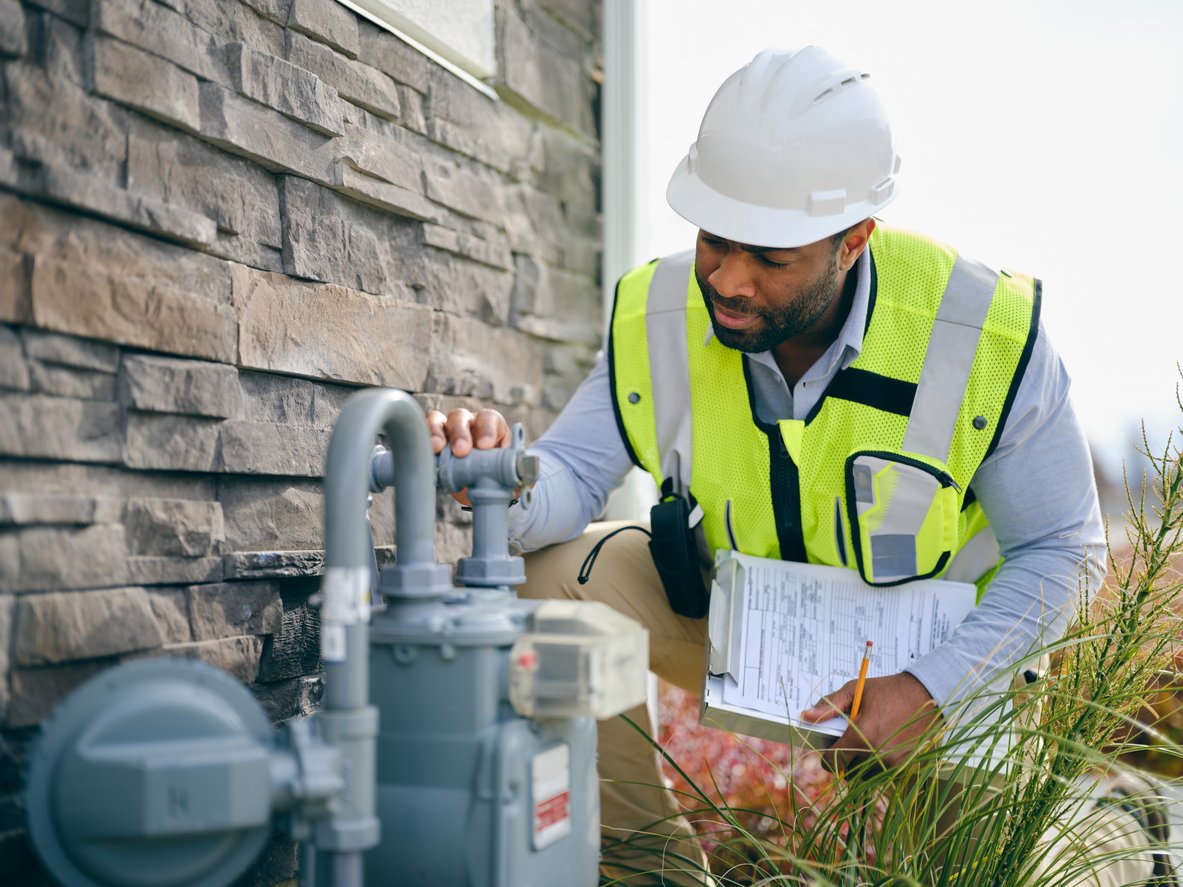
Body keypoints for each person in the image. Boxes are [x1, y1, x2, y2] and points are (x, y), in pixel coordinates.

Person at [429, 46, 1168, 886]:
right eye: (714, 241)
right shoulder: (657, 312)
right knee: (549, 577)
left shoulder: (981, 335)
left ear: (854, 240)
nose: (729, 280)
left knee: (1003, 871)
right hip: (748, 634)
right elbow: (565, 475)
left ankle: (1115, 828)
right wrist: (503, 477)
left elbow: (1059, 552)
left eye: (771, 258)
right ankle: (646, 868)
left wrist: (925, 691)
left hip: (938, 662)